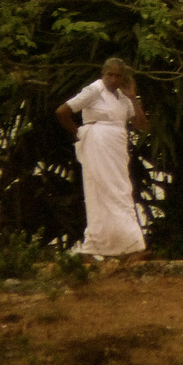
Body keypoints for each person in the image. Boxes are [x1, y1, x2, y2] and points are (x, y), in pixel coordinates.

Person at [56, 58, 149, 261]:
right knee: (102, 192)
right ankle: (130, 245)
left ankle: (105, 247)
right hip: (96, 142)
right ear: (103, 74)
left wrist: (133, 97)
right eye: (110, 75)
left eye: (118, 76)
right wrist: (80, 133)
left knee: (120, 190)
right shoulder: (94, 90)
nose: (113, 79)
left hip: (116, 146)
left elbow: (141, 125)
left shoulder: (123, 97)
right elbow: (62, 111)